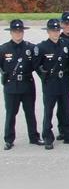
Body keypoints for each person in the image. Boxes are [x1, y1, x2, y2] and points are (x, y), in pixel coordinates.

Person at [34, 19, 69, 147]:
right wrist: (44, 77)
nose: (55, 33)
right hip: (51, 82)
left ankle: (68, 134)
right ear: (48, 31)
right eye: (53, 31)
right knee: (49, 111)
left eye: (57, 30)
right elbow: (37, 66)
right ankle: (48, 137)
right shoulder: (41, 47)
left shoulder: (65, 44)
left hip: (64, 80)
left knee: (65, 109)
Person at [2, 20, 39, 150]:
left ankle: (34, 137)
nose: (18, 34)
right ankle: (9, 139)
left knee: (30, 112)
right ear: (11, 33)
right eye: (15, 31)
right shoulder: (3, 49)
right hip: (11, 86)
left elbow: (36, 65)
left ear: (23, 32)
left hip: (27, 83)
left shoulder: (30, 48)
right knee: (11, 113)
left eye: (20, 31)